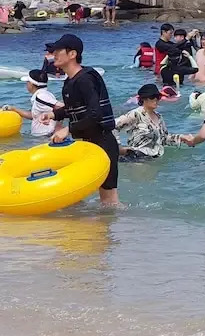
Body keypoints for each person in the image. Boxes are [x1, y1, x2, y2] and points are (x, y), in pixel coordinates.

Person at [37, 34, 121, 207]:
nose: (54, 54)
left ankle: (125, 223)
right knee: (81, 198)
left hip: (103, 143)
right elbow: (76, 109)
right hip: (86, 144)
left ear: (72, 54)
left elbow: (95, 114)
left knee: (109, 200)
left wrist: (67, 129)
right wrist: (54, 114)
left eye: (58, 50)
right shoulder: (70, 81)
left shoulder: (85, 79)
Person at [115, 84, 189, 162]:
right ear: (144, 99)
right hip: (136, 159)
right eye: (152, 97)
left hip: (154, 159)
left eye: (158, 97)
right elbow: (112, 126)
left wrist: (182, 137)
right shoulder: (136, 114)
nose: (155, 100)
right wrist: (119, 147)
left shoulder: (159, 117)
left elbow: (164, 139)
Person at [0, 70, 59, 137]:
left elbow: (61, 108)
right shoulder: (44, 94)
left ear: (31, 84)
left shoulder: (41, 96)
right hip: (42, 135)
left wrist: (58, 129)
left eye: (27, 82)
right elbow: (34, 116)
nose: (26, 84)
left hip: (45, 136)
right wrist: (14, 109)